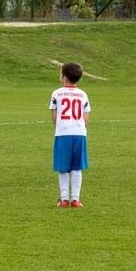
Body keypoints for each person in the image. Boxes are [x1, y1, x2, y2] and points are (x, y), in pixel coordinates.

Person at [50, 61, 90, 208]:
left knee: (63, 167)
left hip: (63, 134)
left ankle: (64, 199)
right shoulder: (82, 94)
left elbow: (54, 115)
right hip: (79, 134)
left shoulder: (56, 93)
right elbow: (86, 117)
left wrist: (59, 127)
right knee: (76, 167)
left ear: (64, 77)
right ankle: (75, 200)